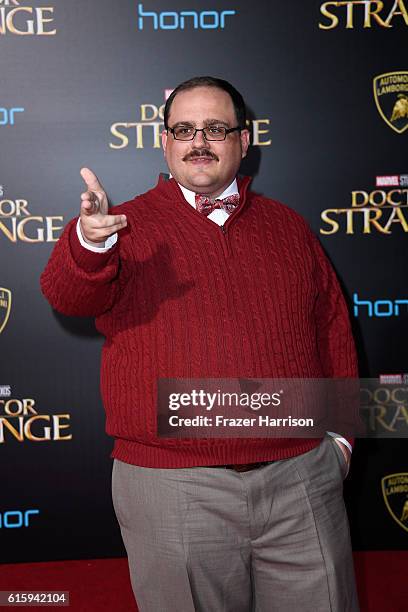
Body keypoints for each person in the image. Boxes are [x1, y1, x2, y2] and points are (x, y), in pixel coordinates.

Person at [41, 76, 360, 611]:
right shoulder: (125, 225)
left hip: (301, 479)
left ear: (245, 138)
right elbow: (68, 296)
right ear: (164, 141)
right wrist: (90, 242)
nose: (199, 142)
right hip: (173, 488)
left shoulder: (290, 227)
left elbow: (332, 331)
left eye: (216, 128)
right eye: (184, 129)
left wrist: (342, 442)